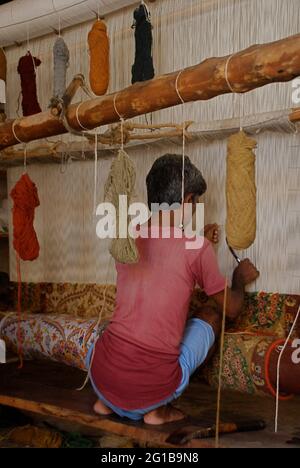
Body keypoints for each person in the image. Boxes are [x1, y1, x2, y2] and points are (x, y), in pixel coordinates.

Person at [88, 154, 259, 425]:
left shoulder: (127, 236)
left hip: (100, 376)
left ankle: (107, 403)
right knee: (211, 315)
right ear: (188, 200)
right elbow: (233, 308)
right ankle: (160, 410)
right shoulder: (196, 248)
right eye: (195, 202)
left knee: (114, 333)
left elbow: (164, 260)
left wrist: (199, 240)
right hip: (151, 391)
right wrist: (239, 278)